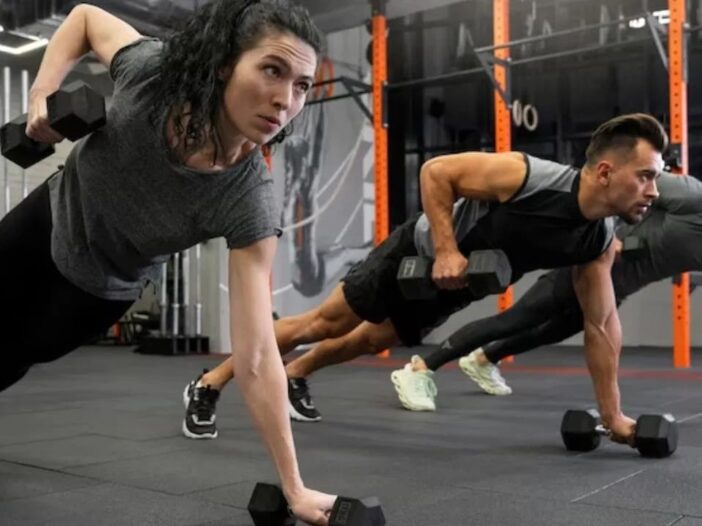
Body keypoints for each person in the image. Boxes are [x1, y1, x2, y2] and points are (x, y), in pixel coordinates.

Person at [1, 1, 338, 523]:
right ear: (224, 64)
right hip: (45, 219)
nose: (284, 99)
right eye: (272, 70)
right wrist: (42, 93)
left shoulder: (247, 200)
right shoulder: (151, 74)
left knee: (8, 357)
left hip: (96, 290)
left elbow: (255, 355)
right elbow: (85, 17)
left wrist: (294, 487)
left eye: (301, 86)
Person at [184, 113, 665, 447]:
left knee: (370, 341)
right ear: (606, 171)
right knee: (325, 323)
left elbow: (602, 326)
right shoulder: (528, 176)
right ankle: (209, 383)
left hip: (457, 285)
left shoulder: (597, 242)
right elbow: (437, 172)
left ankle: (296, 374)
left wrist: (613, 416)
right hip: (415, 254)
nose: (654, 191)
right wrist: (447, 249)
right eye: (645, 176)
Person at [450, 171, 702, 396]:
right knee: (514, 320)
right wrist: (607, 233)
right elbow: (621, 186)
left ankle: (483, 359)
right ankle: (428, 366)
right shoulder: (692, 195)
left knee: (550, 333)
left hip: (617, 289)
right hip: (587, 267)